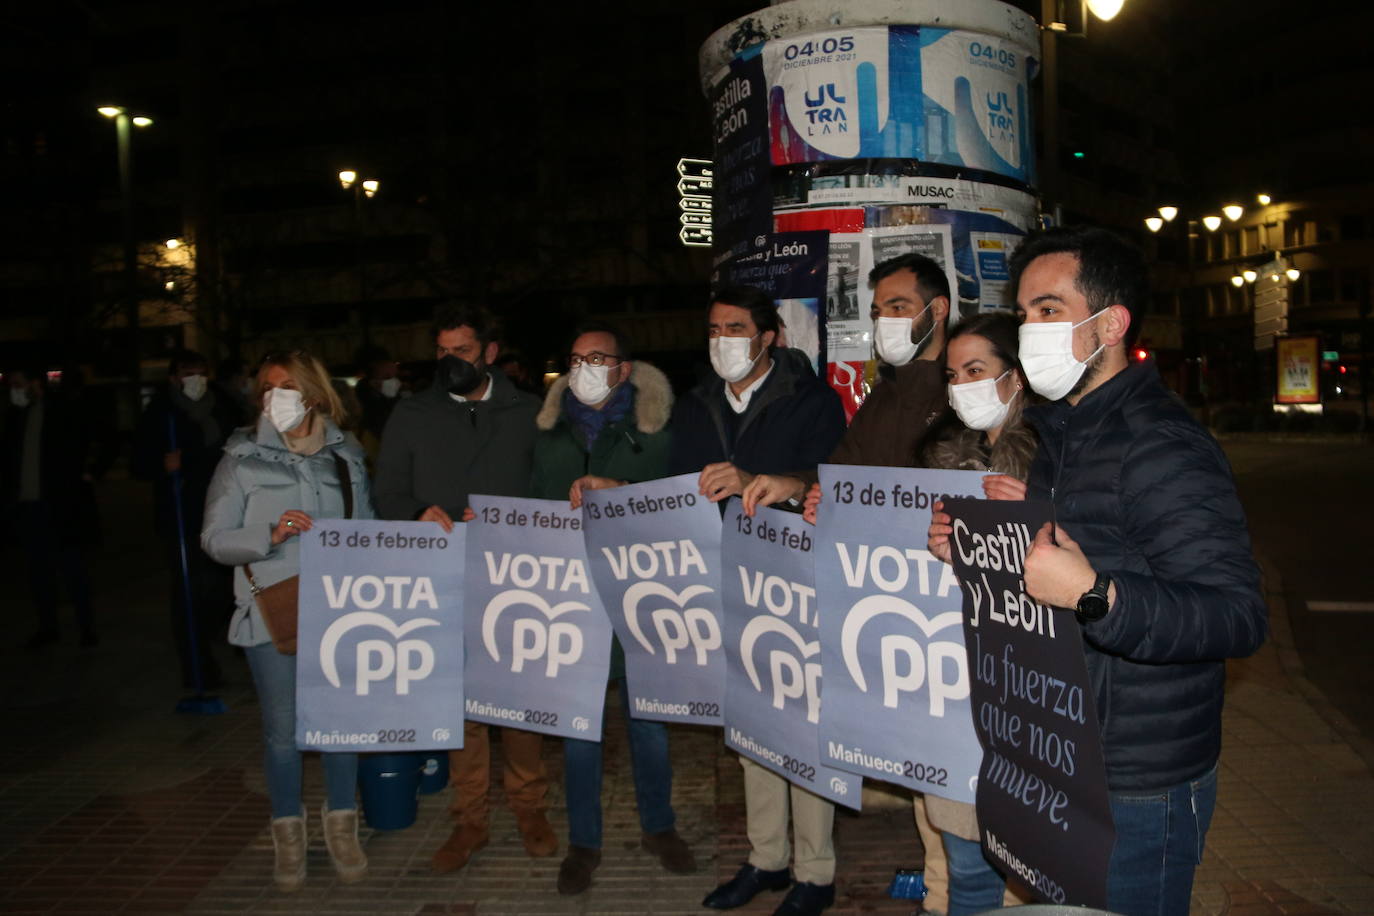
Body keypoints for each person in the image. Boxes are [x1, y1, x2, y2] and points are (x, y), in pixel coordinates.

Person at [930, 226, 1268, 916]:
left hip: (1138, 778)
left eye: (1049, 311)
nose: (1030, 330)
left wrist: (1093, 597)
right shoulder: (1066, 432)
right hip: (1068, 752)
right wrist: (980, 547)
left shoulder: (1160, 445)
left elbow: (1237, 614)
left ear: (1109, 324)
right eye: (1024, 314)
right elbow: (1069, 552)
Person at [743, 252, 957, 914]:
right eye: (877, 310)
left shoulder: (962, 387)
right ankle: (942, 890)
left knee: (953, 789)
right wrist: (802, 490)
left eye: (897, 306)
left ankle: (956, 894)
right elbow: (844, 476)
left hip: (948, 618)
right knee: (929, 781)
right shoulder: (888, 393)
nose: (883, 322)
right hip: (894, 610)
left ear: (936, 310)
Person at [674, 286, 846, 916]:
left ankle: (816, 871)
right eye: (714, 328)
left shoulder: (812, 401)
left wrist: (772, 486)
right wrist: (621, 494)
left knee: (802, 723)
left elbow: (834, 483)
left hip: (797, 586)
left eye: (736, 328)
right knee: (750, 728)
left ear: (769, 337)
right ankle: (766, 858)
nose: (723, 340)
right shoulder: (695, 404)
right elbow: (672, 488)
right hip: (727, 587)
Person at [373, 304, 555, 874]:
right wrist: (416, 513)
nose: (452, 362)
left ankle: (530, 808)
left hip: (514, 578)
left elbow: (550, 491)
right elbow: (387, 493)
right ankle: (469, 818)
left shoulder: (530, 413)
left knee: (519, 699)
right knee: (463, 705)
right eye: (443, 352)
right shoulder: (413, 414)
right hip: (443, 576)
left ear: (491, 354)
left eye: (464, 352)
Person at [528, 321, 696, 894]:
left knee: (648, 722)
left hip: (641, 599)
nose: (585, 368)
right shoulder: (548, 435)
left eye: (598, 357)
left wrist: (619, 486)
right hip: (573, 599)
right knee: (581, 727)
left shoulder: (659, 432)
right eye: (576, 358)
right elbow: (531, 510)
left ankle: (659, 826)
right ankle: (584, 840)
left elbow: (683, 506)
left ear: (624, 368)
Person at [201, 350, 373, 893]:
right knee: (283, 733)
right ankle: (289, 834)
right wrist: (269, 535)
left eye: (287, 386)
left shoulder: (346, 457)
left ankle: (342, 826)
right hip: (268, 615)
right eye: (267, 387)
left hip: (337, 610)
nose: (275, 396)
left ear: (315, 395)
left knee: (341, 727)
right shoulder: (240, 458)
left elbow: (366, 531)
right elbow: (213, 539)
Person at [920, 312, 1034, 916]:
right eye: (952, 373)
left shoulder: (1058, 455)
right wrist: (941, 549)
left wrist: (1038, 514)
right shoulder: (939, 463)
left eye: (976, 370)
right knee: (966, 863)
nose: (961, 384)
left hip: (1031, 696)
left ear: (1015, 377)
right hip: (955, 688)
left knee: (1029, 867)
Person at [133, 350, 237, 689]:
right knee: (190, 592)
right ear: (174, 378)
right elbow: (140, 462)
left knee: (223, 588)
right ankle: (197, 667)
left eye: (200, 370)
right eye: (187, 372)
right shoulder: (161, 412)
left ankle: (212, 637)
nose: (194, 377)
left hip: (224, 510)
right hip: (182, 513)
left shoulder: (224, 406)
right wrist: (163, 467)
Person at [2, 364, 98, 648]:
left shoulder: (62, 410)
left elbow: (90, 440)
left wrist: (90, 471)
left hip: (60, 504)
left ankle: (86, 627)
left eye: (18, 383)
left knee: (72, 568)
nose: (14, 390)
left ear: (34, 382)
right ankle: (48, 627)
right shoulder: (16, 416)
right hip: (28, 506)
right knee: (38, 572)